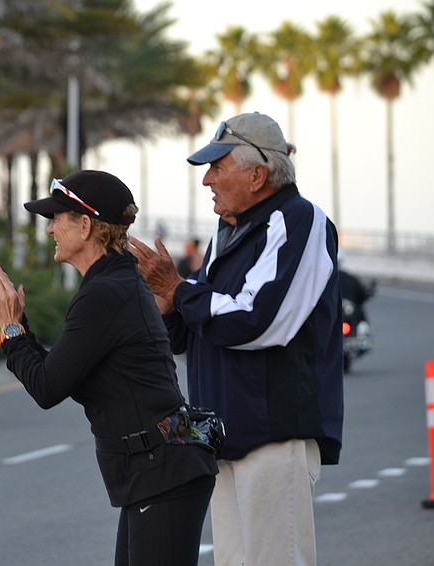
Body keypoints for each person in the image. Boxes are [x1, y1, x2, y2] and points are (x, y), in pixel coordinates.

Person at [0, 170, 218, 566]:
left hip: (163, 473)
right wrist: (15, 327)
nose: (50, 229)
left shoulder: (106, 294)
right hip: (156, 473)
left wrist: (11, 328)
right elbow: (57, 372)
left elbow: (47, 388)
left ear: (85, 225)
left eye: (57, 218)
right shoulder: (111, 285)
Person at [129, 112, 344, 566]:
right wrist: (170, 308)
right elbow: (196, 336)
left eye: (216, 167)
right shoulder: (228, 232)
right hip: (222, 436)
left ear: (257, 174)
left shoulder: (299, 221)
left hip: (272, 435)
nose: (206, 180)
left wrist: (178, 289)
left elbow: (257, 320)